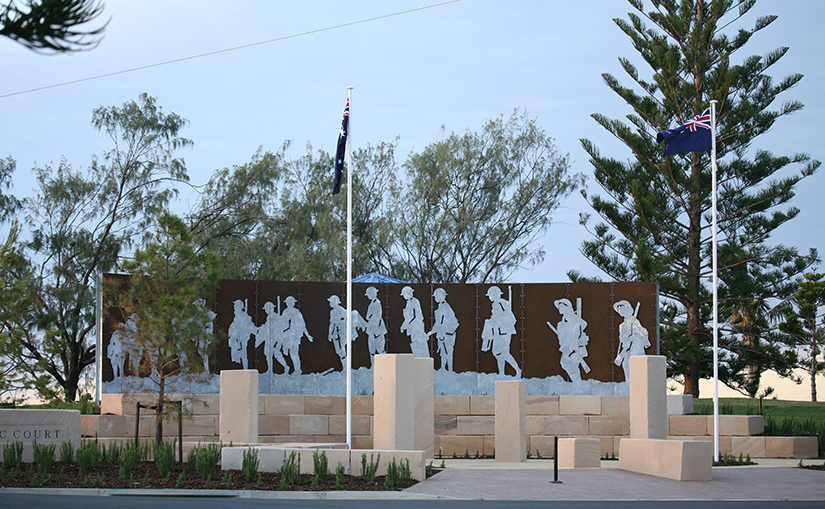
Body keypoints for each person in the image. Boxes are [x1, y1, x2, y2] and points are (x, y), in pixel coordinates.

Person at [547, 298, 590, 383]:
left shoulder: (574, 319)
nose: (559, 309)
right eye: (559, 307)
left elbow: (583, 325)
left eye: (561, 307)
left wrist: (574, 318)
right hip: (566, 349)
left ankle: (578, 386)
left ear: (567, 307)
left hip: (575, 349)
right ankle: (578, 384)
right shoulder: (561, 323)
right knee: (565, 364)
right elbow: (561, 337)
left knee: (573, 366)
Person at [481, 286, 521, 377]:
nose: (489, 297)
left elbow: (507, 318)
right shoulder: (498, 303)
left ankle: (518, 370)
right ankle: (502, 373)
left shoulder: (499, 303)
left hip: (503, 332)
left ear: (495, 294)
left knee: (504, 353)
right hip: (499, 332)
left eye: (490, 294)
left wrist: (494, 322)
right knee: (498, 353)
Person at [613, 299, 650, 382]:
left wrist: (636, 331)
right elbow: (621, 338)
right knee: (626, 368)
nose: (620, 311)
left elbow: (643, 334)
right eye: (619, 310)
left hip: (636, 349)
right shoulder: (622, 326)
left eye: (622, 309)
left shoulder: (635, 321)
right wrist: (626, 340)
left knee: (636, 369)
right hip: (626, 350)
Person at [280, 296, 313, 374]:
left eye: (291, 302)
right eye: (288, 302)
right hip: (287, 336)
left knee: (294, 353)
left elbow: (302, 324)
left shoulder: (296, 312)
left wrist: (307, 335)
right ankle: (292, 369)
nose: (290, 304)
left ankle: (297, 370)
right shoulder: (285, 312)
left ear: (293, 303)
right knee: (287, 352)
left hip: (295, 335)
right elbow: (281, 324)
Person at [428, 288, 459, 371]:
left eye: (436, 296)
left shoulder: (444, 307)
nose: (434, 298)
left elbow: (439, 323)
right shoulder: (442, 306)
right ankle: (443, 368)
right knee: (443, 352)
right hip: (444, 333)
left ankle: (449, 370)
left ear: (440, 296)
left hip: (447, 334)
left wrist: (429, 333)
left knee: (448, 352)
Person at [258, 300, 288, 374]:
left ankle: (286, 367)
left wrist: (276, 332)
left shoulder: (275, 317)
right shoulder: (269, 317)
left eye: (268, 309)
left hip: (275, 338)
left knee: (276, 353)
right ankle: (270, 370)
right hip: (269, 338)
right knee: (268, 353)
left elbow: (283, 325)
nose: (266, 311)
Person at [400, 286, 429, 358]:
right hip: (416, 328)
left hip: (416, 328)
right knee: (418, 346)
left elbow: (410, 317)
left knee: (419, 346)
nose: (403, 297)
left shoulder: (412, 302)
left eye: (404, 295)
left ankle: (421, 362)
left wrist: (403, 326)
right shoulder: (413, 301)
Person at [228, 299, 256, 370]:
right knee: (238, 352)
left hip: (242, 337)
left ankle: (245, 368)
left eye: (236, 305)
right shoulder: (237, 315)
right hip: (236, 337)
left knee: (243, 353)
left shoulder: (243, 316)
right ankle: (241, 366)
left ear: (240, 307)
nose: (234, 307)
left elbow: (248, 326)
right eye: (235, 305)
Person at [364, 286, 387, 366]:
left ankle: (386, 365)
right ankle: (373, 366)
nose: (368, 296)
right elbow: (368, 316)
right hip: (371, 329)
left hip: (377, 329)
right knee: (372, 348)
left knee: (380, 348)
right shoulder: (372, 304)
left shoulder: (377, 304)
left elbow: (377, 317)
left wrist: (375, 332)